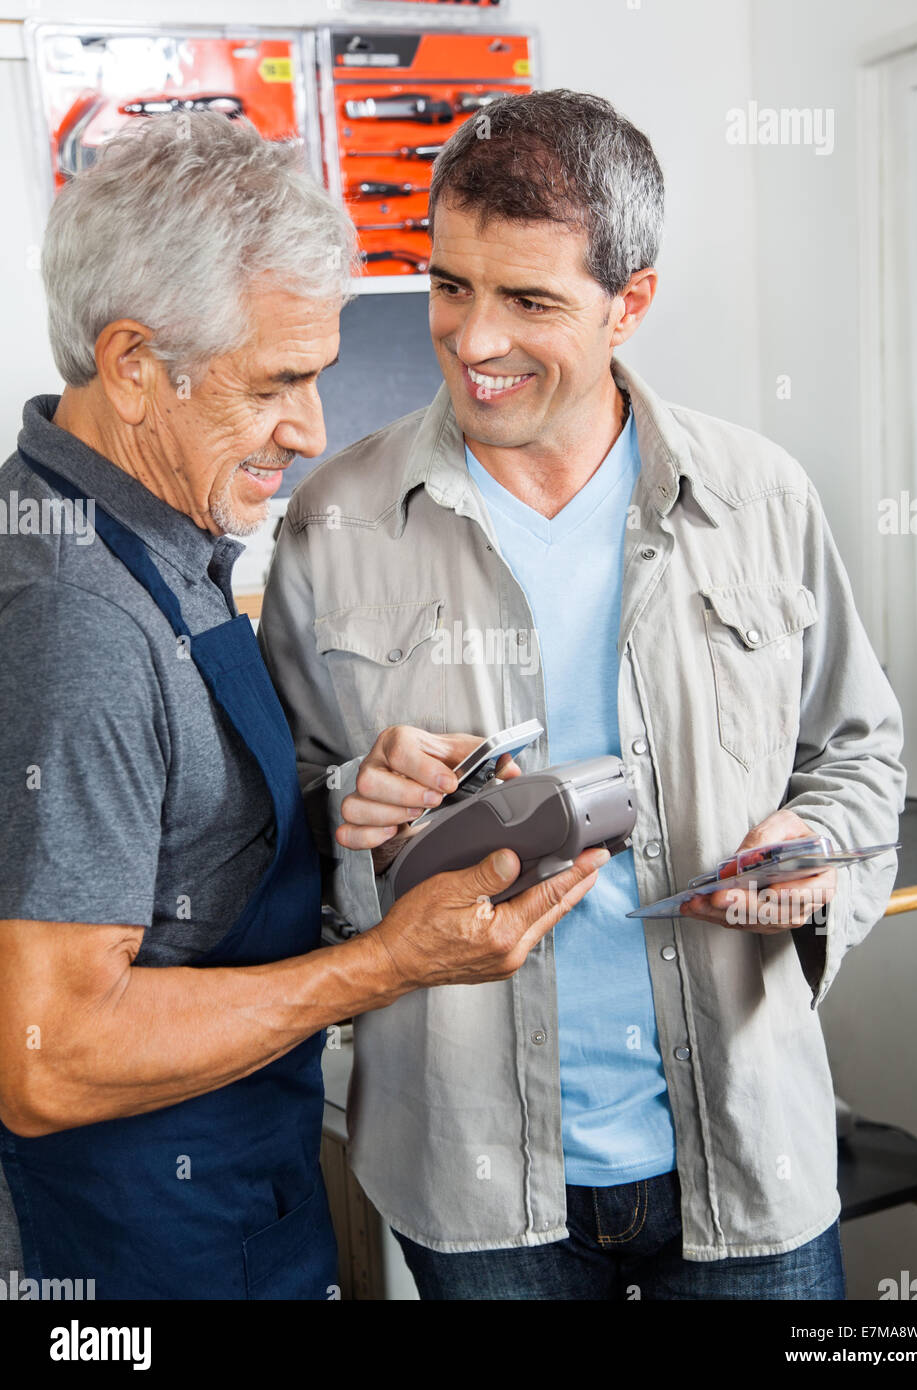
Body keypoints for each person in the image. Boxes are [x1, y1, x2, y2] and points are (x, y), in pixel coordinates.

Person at [258, 89, 907, 1301]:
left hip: (744, 1162)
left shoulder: (759, 498)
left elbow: (860, 756)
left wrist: (818, 849)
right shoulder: (331, 518)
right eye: (451, 286)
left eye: (529, 300)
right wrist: (355, 805)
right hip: (471, 1173)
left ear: (632, 302)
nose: (473, 339)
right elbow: (278, 831)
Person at [0, 110, 607, 1302]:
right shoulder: (76, 620)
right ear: (131, 366)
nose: (312, 430)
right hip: (136, 1251)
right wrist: (385, 964)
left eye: (316, 377)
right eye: (274, 384)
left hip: (232, 1201)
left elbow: (167, 840)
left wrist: (344, 798)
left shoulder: (155, 536)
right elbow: (48, 1055)